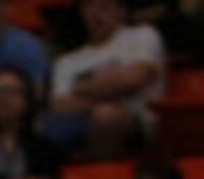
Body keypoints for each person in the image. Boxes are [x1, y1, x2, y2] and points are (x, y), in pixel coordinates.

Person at [39, 0, 165, 154]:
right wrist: (111, 92)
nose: (95, 14)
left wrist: (81, 87)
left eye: (104, 6)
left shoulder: (142, 36)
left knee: (106, 116)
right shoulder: (66, 62)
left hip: (137, 121)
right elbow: (59, 105)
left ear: (120, 11)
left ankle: (106, 175)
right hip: (78, 124)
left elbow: (133, 80)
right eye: (89, 7)